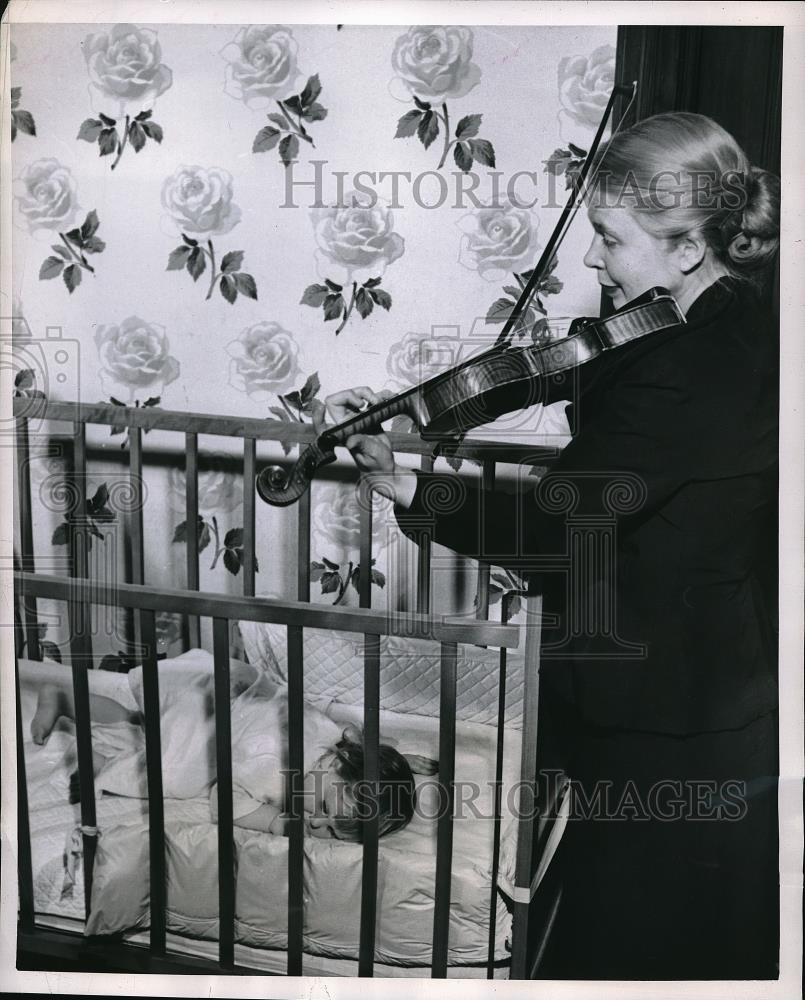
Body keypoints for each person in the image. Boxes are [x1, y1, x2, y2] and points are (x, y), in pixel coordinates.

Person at [314, 112, 780, 978]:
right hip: (680, 693)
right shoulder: (706, 322)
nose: (592, 260)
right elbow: (574, 371)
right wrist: (434, 403)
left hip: (670, 713)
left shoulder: (697, 367)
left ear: (686, 247)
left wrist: (415, 488)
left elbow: (558, 526)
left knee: (634, 956)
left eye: (608, 238)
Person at [29, 661, 432, 842]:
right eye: (324, 807)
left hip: (218, 685)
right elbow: (223, 800)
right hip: (204, 714)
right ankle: (107, 767)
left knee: (140, 723)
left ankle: (65, 698)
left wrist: (396, 759)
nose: (314, 818)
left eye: (326, 826)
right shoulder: (274, 774)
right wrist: (274, 823)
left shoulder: (332, 739)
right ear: (339, 762)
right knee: (174, 775)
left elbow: (357, 735)